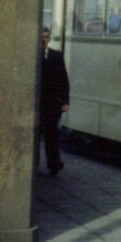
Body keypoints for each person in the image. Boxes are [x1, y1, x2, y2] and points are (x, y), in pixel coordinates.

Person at [39, 27, 70, 177]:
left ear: (49, 38)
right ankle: (34, 164)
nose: (43, 39)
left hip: (52, 104)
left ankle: (54, 166)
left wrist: (65, 101)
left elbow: (64, 80)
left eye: (46, 37)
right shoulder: (32, 56)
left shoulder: (57, 56)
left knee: (52, 136)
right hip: (37, 104)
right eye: (41, 37)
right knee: (34, 136)